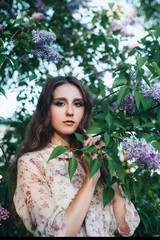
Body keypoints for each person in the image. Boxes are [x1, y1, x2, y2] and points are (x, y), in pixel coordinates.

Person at [12, 76, 140, 237]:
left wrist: (107, 171)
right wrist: (90, 180)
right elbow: (56, 234)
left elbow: (126, 228)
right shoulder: (32, 163)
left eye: (77, 104)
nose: (70, 112)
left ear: (85, 111)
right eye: (60, 103)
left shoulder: (94, 157)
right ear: (46, 109)